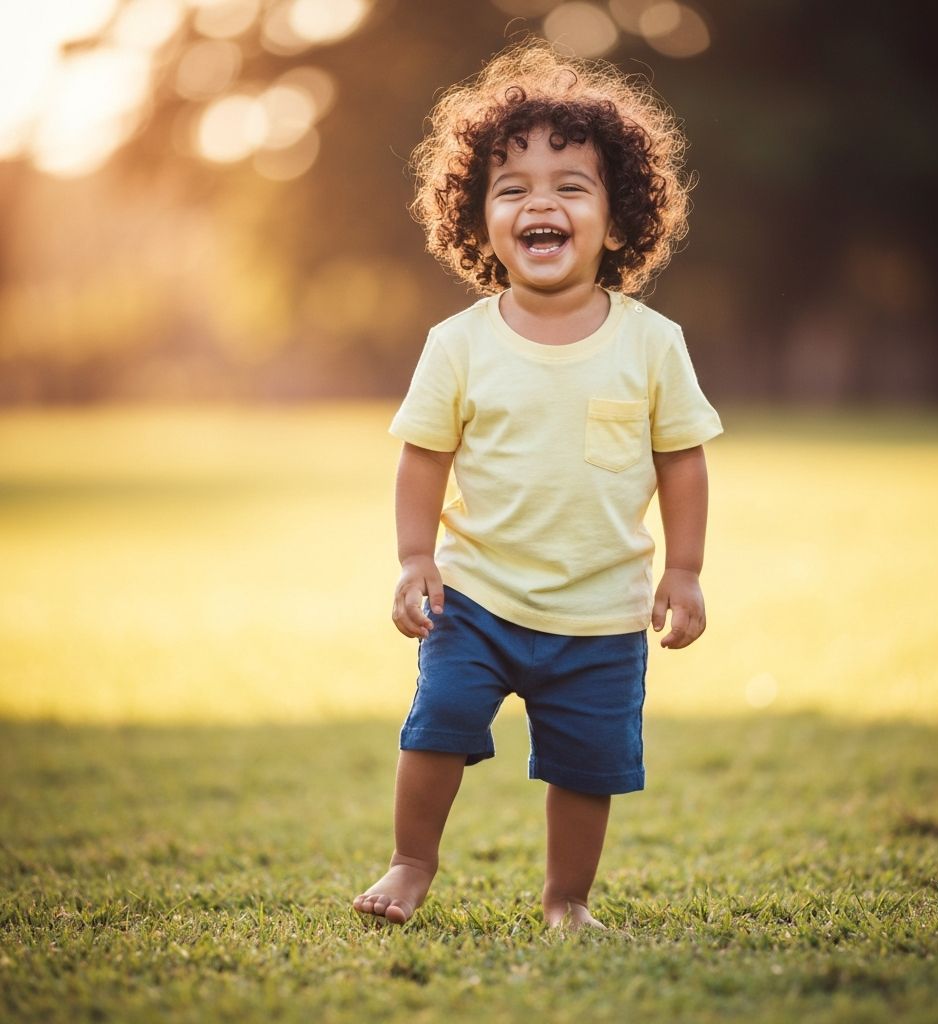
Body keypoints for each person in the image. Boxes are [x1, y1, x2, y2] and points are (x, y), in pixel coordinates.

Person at [353, 43, 723, 929]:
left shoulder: (651, 343)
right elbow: (422, 455)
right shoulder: (460, 344)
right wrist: (415, 558)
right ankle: (410, 863)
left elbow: (683, 458)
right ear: (478, 222)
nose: (540, 203)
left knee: (586, 765)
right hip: (476, 594)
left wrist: (684, 569)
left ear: (618, 216)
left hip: (601, 610)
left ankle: (567, 901)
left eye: (571, 185)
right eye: (511, 188)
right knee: (436, 722)